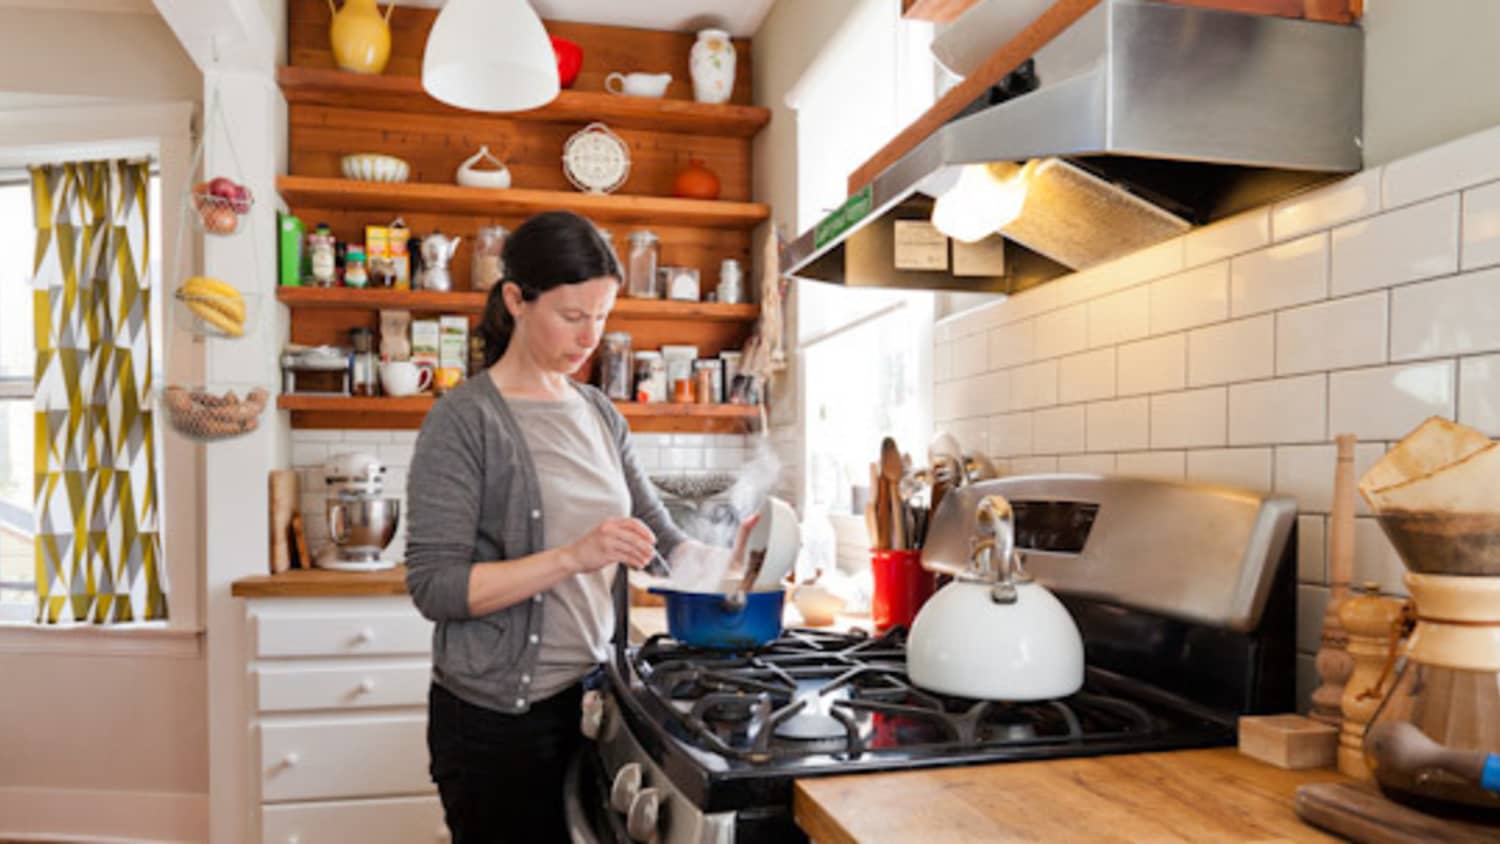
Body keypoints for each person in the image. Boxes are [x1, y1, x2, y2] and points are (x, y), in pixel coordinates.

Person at [405, 210, 754, 843]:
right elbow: (436, 587)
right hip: (497, 722)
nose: (590, 335)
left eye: (602, 316)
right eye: (572, 317)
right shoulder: (462, 420)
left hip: (595, 701)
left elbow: (657, 538)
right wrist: (573, 556)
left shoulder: (596, 411)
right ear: (516, 299)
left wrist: (738, 564)